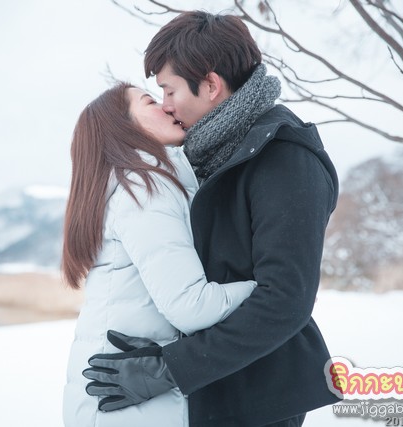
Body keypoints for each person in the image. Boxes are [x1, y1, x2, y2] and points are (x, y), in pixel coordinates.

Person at [83, 11, 341, 427]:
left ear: (210, 85)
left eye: (168, 90)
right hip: (211, 395)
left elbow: (285, 300)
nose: (166, 105)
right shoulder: (210, 154)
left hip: (258, 401)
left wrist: (172, 368)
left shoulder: (284, 158)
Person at [61, 82, 258, 427]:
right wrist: (264, 288)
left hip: (115, 393)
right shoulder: (145, 187)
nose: (167, 106)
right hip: (127, 398)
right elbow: (191, 306)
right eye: (150, 101)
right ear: (124, 126)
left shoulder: (124, 185)